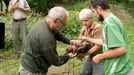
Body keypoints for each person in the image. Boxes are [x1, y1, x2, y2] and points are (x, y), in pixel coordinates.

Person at [19, 6, 77, 75]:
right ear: (55, 21)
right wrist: (68, 56)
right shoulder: (47, 38)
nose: (63, 26)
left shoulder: (42, 24)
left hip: (26, 63)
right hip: (33, 70)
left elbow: (56, 33)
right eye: (63, 23)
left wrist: (69, 41)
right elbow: (55, 61)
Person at [80, 0, 133, 75]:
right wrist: (88, 39)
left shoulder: (109, 23)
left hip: (119, 70)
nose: (94, 15)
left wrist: (100, 56)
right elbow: (106, 41)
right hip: (122, 67)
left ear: (98, 8)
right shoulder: (113, 19)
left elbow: (122, 49)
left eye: (93, 11)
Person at [76, 8, 104, 75]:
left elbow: (97, 46)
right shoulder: (84, 28)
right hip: (91, 55)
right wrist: (75, 48)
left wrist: (84, 54)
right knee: (84, 73)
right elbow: (80, 41)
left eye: (86, 20)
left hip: (101, 57)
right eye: (82, 21)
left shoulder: (98, 28)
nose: (84, 23)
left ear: (92, 18)